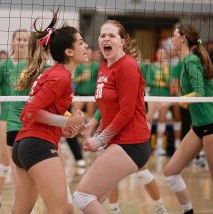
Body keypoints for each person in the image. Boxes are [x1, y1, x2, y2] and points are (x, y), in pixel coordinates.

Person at [11, 10, 88, 214]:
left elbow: (40, 113)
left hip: (25, 144)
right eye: (80, 42)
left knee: (21, 211)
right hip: (38, 145)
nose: (86, 46)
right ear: (68, 52)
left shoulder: (56, 74)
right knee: (62, 210)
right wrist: (66, 122)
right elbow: (29, 112)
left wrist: (64, 128)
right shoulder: (60, 77)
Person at [163, 24, 213, 214]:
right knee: (171, 171)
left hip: (212, 124)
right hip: (199, 125)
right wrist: (183, 102)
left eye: (174, 36)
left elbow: (199, 92)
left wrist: (176, 101)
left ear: (183, 38)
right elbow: (195, 96)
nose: (171, 40)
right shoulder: (186, 61)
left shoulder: (191, 60)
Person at [73, 20, 151, 214]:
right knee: (94, 200)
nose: (106, 38)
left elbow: (126, 112)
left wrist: (100, 139)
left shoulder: (128, 66)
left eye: (112, 35)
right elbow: (107, 109)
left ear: (122, 41)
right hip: (117, 142)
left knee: (82, 196)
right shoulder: (103, 66)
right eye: (102, 35)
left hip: (131, 143)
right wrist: (96, 131)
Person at [85, 109, 168, 214]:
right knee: (111, 174)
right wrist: (93, 124)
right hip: (110, 132)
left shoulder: (132, 93)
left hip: (130, 132)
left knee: (143, 172)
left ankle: (160, 207)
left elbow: (141, 108)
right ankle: (114, 210)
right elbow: (104, 104)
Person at [0, 29, 30, 214]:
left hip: (28, 119)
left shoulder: (33, 65)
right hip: (6, 117)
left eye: (25, 40)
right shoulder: (3, 66)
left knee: (23, 166)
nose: (22, 42)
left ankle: (21, 205)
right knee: (4, 161)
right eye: (18, 39)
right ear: (12, 42)